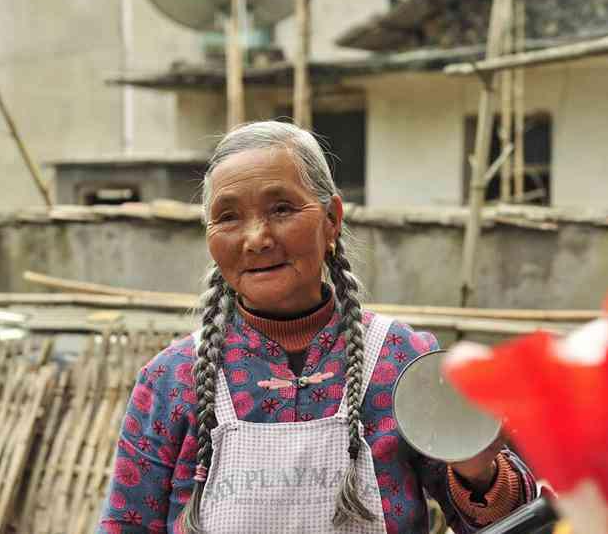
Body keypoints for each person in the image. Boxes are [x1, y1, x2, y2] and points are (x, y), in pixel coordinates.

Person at [97, 121, 537, 534]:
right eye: (228, 216)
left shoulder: (402, 360)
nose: (256, 238)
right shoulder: (171, 381)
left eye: (282, 208)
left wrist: (479, 469)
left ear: (332, 220)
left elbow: (508, 521)